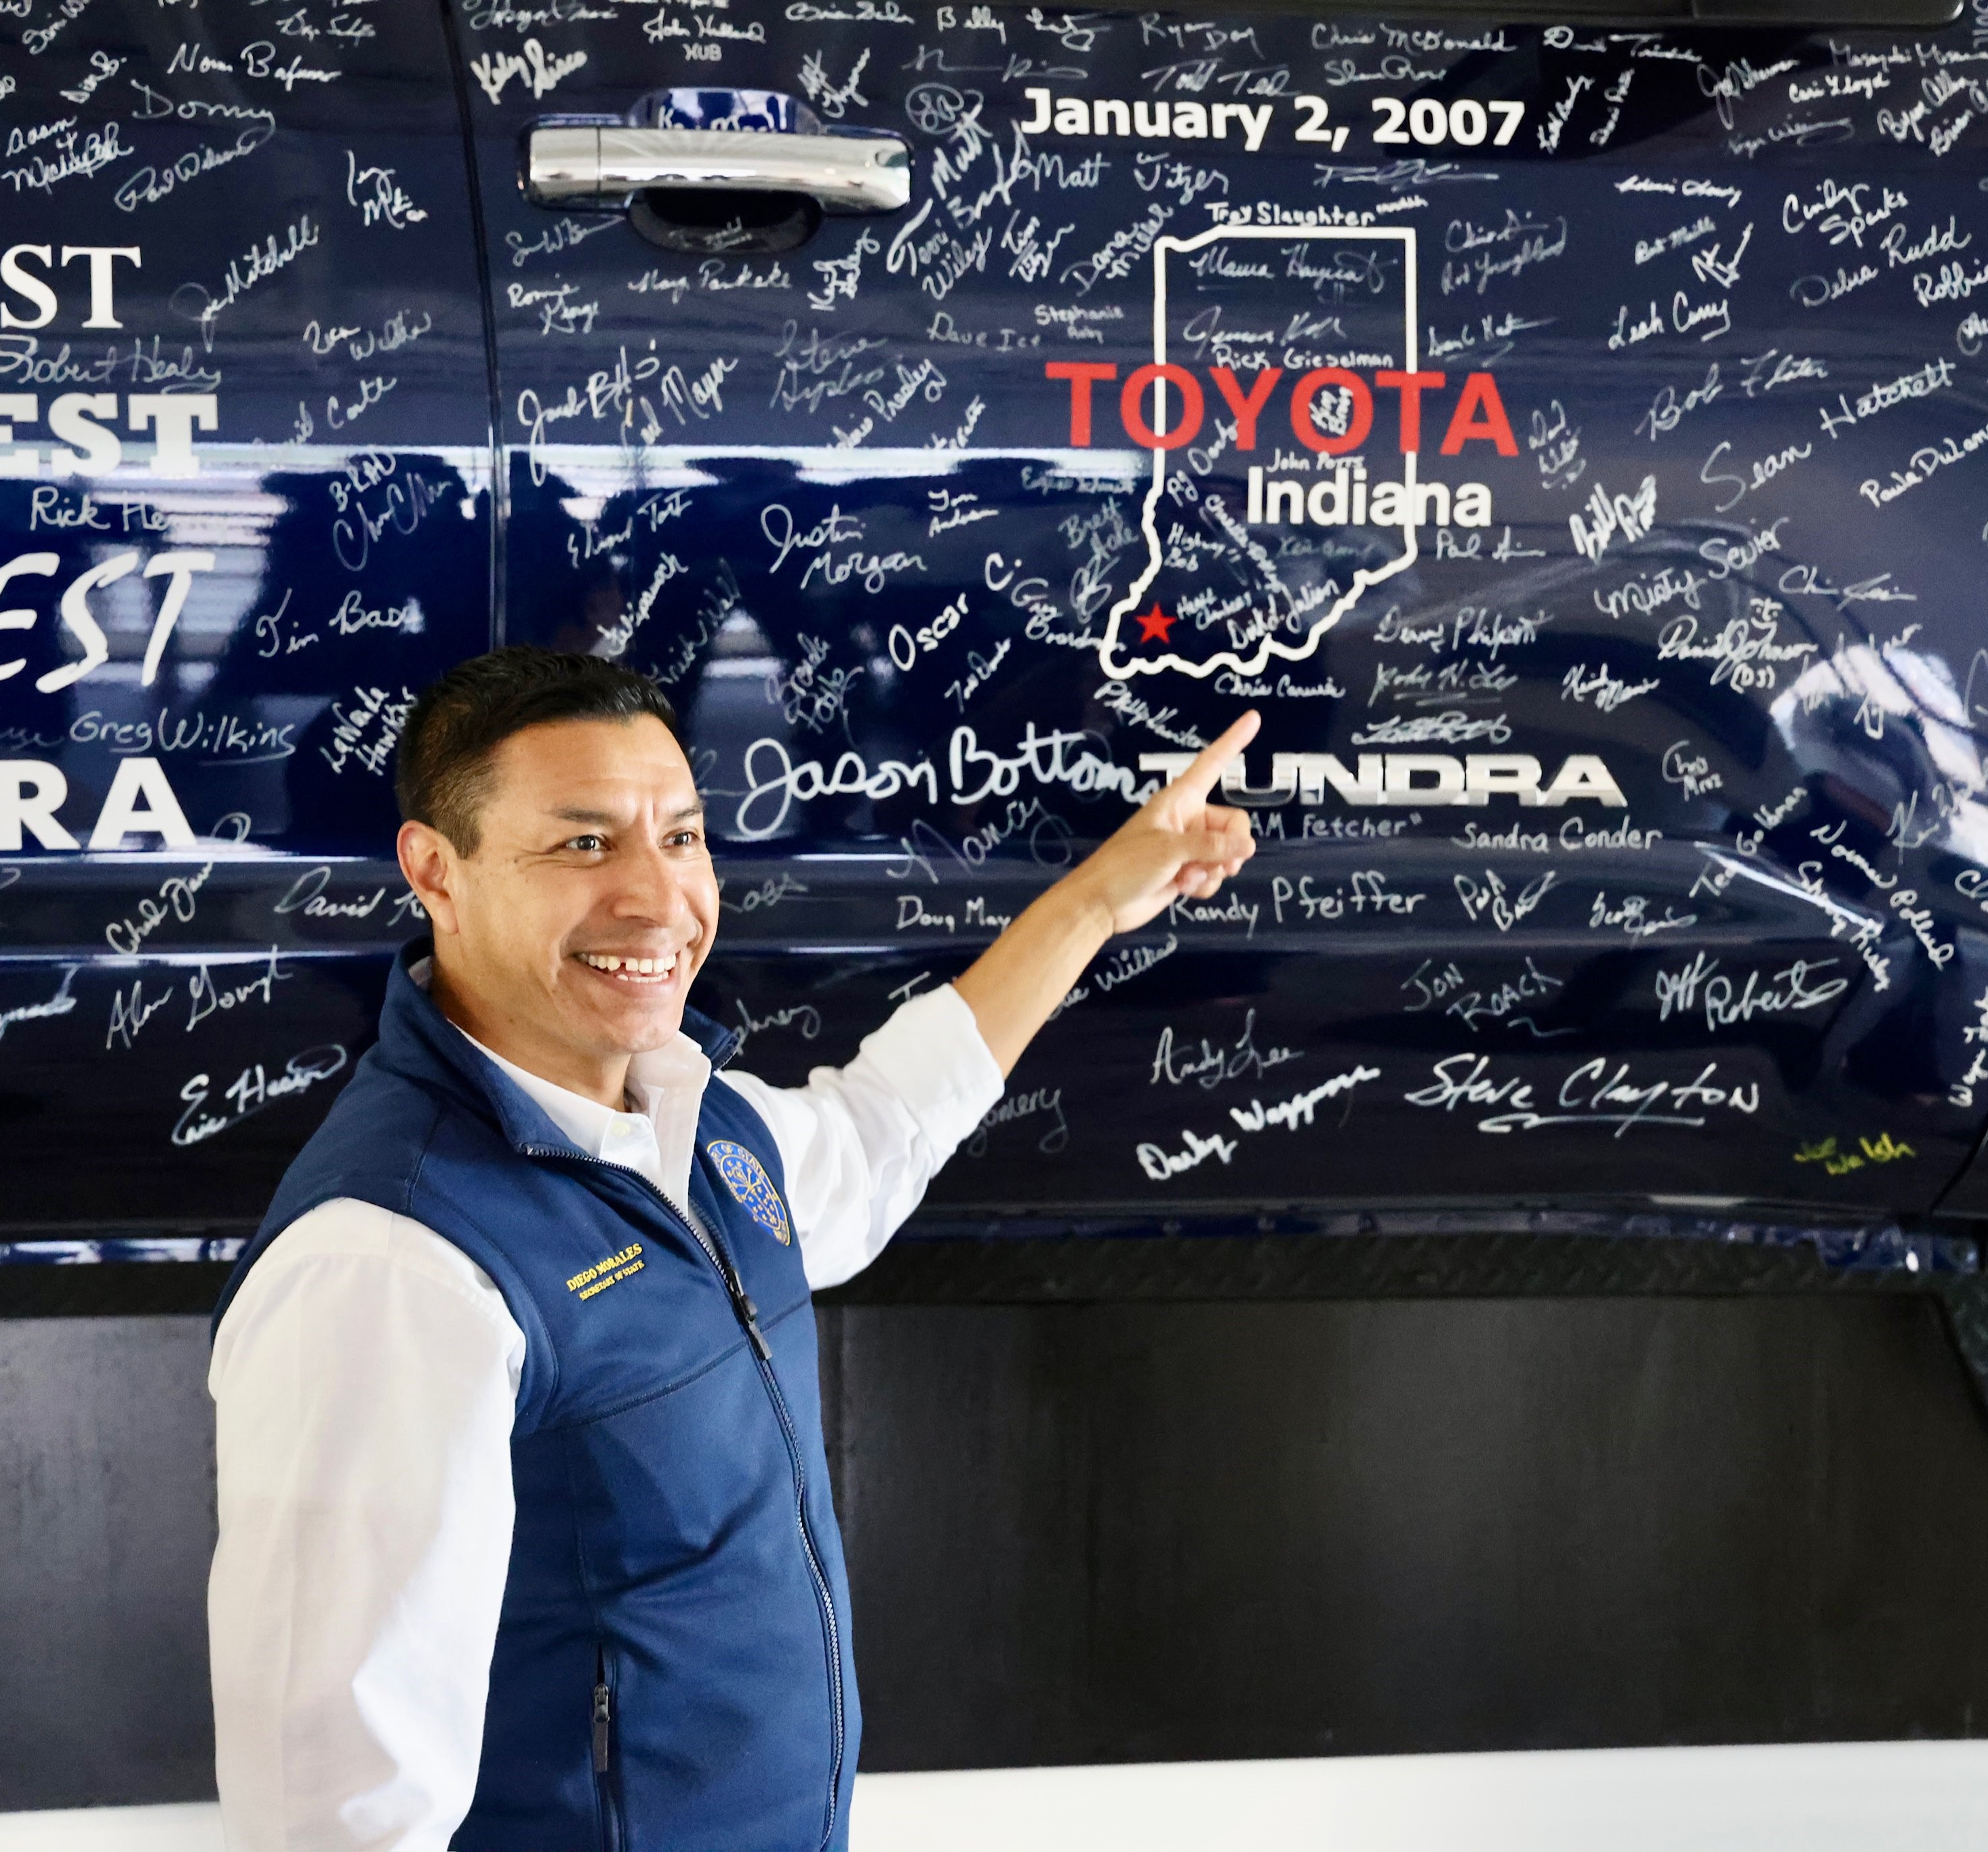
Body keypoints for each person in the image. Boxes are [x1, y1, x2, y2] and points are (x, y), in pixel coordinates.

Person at [205, 647, 1257, 1852]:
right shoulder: (388, 1262)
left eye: (683, 838)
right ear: (436, 873)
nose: (658, 898)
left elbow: (881, 1128)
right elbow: (334, 1808)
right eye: (584, 844)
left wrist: (1095, 903)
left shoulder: (696, 1122)